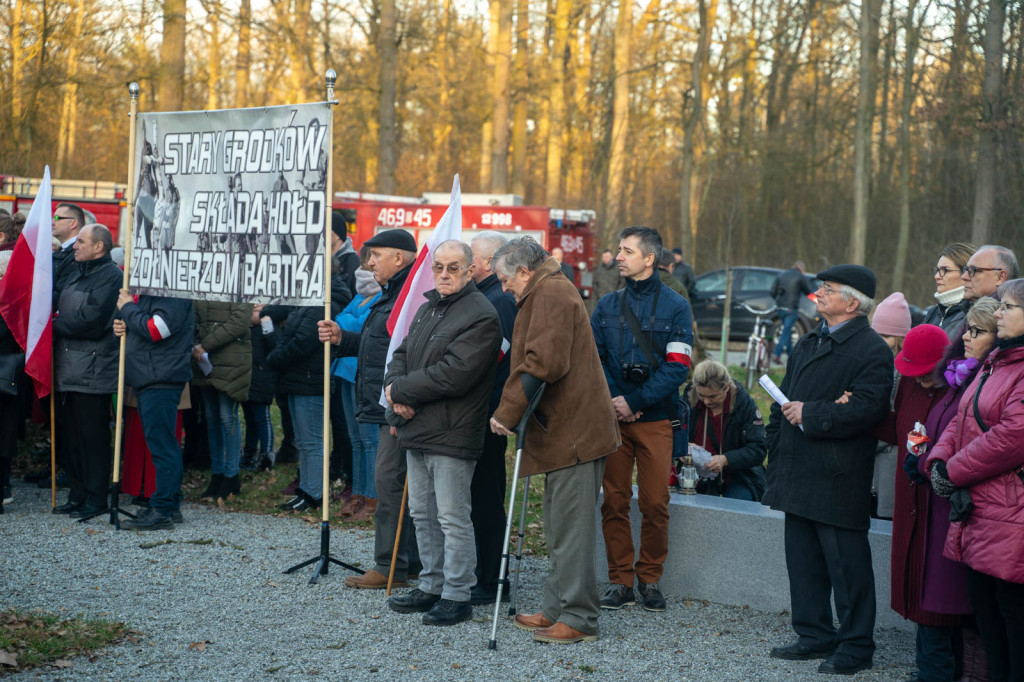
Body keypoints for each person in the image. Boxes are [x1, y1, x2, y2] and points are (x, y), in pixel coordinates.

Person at [489, 236, 620, 644]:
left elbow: (543, 362)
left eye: (505, 280)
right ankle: (555, 609)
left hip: (575, 434)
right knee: (559, 525)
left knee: (571, 529)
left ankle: (579, 618)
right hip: (566, 432)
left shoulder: (549, 294)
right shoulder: (548, 290)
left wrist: (506, 412)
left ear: (525, 272)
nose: (504, 288)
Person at [764, 264, 894, 675]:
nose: (817, 293)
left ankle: (856, 646)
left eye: (828, 289)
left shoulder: (872, 350)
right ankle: (814, 634)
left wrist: (813, 415)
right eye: (820, 287)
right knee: (802, 562)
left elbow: (868, 408)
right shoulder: (808, 341)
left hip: (837, 477)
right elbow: (784, 400)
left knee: (846, 566)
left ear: (852, 303)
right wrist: (775, 439)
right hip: (797, 469)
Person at [383, 241, 502, 626]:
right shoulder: (427, 306)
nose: (445, 274)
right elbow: (399, 355)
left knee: (452, 517)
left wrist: (400, 391)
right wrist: (393, 389)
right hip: (416, 427)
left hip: (453, 431)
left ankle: (457, 594)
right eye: (439, 267)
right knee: (423, 513)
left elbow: (455, 373)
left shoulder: (481, 315)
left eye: (454, 267)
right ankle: (431, 586)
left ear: (470, 271)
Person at [926, 280, 1024, 682]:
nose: (998, 313)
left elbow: (1013, 435)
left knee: (1013, 621)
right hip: (980, 511)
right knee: (987, 621)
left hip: (1011, 515)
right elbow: (962, 418)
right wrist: (938, 460)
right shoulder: (996, 360)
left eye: (1009, 306)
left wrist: (953, 470)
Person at [591, 226, 693, 612]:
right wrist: (616, 401)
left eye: (627, 251)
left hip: (654, 420)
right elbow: (594, 360)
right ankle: (620, 581)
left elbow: (678, 367)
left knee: (655, 503)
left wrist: (634, 400)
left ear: (649, 259)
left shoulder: (676, 305)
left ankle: (650, 578)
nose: (618, 256)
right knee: (613, 501)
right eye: (618, 249)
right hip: (613, 420)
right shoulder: (605, 305)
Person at [871, 324, 975, 682]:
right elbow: (899, 430)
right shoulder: (910, 385)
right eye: (914, 375)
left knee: (939, 599)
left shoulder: (961, 389)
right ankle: (930, 669)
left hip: (942, 501)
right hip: (910, 495)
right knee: (916, 589)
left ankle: (939, 671)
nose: (921, 381)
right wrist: (857, 413)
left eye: (926, 374)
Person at [318, 229, 421, 589]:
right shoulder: (393, 291)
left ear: (399, 257)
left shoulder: (410, 294)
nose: (370, 262)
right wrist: (343, 339)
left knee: (389, 484)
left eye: (376, 255)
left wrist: (400, 402)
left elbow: (408, 352)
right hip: (389, 403)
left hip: (397, 406)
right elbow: (381, 344)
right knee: (396, 484)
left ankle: (389, 565)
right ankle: (405, 563)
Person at [50, 225, 122, 518]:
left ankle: (96, 497)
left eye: (81, 241)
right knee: (71, 437)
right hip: (67, 367)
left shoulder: (111, 277)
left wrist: (51, 327)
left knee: (92, 438)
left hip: (93, 368)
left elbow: (91, 320)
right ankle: (77, 493)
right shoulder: (75, 270)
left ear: (99, 248)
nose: (75, 246)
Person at [114, 290, 194, 530]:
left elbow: (156, 329)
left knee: (163, 446)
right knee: (161, 444)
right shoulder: (158, 293)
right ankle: (166, 505)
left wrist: (128, 308)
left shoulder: (172, 293)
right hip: (152, 374)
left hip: (161, 375)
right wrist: (122, 324)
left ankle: (163, 509)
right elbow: (144, 324)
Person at [467, 231, 518, 604]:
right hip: (485, 409)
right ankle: (484, 572)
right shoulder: (486, 295)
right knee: (481, 495)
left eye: (471, 258)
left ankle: (491, 579)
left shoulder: (496, 301)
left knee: (486, 497)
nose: (466, 265)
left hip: (487, 413)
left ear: (487, 262)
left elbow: (491, 358)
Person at [265, 303, 331, 512]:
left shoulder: (318, 309)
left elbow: (302, 343)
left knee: (311, 441)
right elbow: (287, 336)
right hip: (297, 380)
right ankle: (306, 489)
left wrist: (276, 357)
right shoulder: (302, 307)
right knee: (303, 441)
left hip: (309, 383)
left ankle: (314, 494)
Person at [332, 250, 381, 521]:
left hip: (365, 373)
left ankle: (372, 498)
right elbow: (342, 320)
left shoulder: (383, 295)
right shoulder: (360, 294)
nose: (370, 264)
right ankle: (358, 492)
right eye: (368, 259)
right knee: (355, 439)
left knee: (369, 439)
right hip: (347, 371)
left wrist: (347, 325)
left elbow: (362, 327)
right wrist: (349, 324)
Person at [192, 301, 253, 501]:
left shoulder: (238, 281)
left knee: (228, 417)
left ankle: (231, 474)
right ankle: (217, 472)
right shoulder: (204, 282)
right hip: (205, 358)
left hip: (230, 359)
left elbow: (239, 321)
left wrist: (205, 344)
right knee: (212, 418)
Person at [684, 359, 766, 501]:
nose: (706, 402)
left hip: (737, 474)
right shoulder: (688, 399)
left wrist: (726, 459)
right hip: (692, 470)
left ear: (727, 387)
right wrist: (682, 446)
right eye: (701, 395)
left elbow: (758, 449)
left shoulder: (744, 405)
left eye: (712, 396)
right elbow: (668, 432)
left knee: (739, 504)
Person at [870, 291, 913, 520]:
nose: (879, 342)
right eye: (876, 334)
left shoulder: (903, 373)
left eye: (886, 336)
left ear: (900, 338)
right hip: (872, 460)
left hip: (890, 464)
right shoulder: (873, 364)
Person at [241, 304, 276, 472]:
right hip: (247, 376)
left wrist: (264, 320)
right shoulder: (245, 326)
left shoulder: (268, 323)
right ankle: (249, 452)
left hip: (262, 376)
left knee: (262, 417)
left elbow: (274, 343)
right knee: (249, 418)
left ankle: (267, 454)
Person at [923, 242, 975, 341]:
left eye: (945, 270)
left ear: (966, 273)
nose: (937, 276)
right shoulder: (933, 313)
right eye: (937, 270)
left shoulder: (974, 314)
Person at [770, 261, 813, 363]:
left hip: (780, 308)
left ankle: (791, 356)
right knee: (786, 331)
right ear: (801, 268)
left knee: (787, 331)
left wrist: (779, 301)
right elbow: (808, 291)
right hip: (791, 308)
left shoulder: (781, 275)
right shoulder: (800, 276)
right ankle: (776, 354)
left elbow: (772, 292)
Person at [51, 202, 85, 297]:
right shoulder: (62, 250)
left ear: (73, 223)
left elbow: (61, 293)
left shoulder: (78, 255)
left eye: (57, 218)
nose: (52, 222)